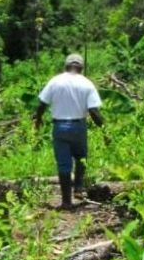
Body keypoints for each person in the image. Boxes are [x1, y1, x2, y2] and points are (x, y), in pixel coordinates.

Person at [34, 53, 104, 210]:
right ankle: (78, 187)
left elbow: (41, 104)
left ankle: (66, 202)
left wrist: (37, 121)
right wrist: (105, 130)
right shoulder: (87, 84)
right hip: (78, 126)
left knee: (64, 164)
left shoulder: (55, 81)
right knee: (81, 157)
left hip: (59, 127)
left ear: (66, 66)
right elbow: (94, 111)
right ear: (81, 67)